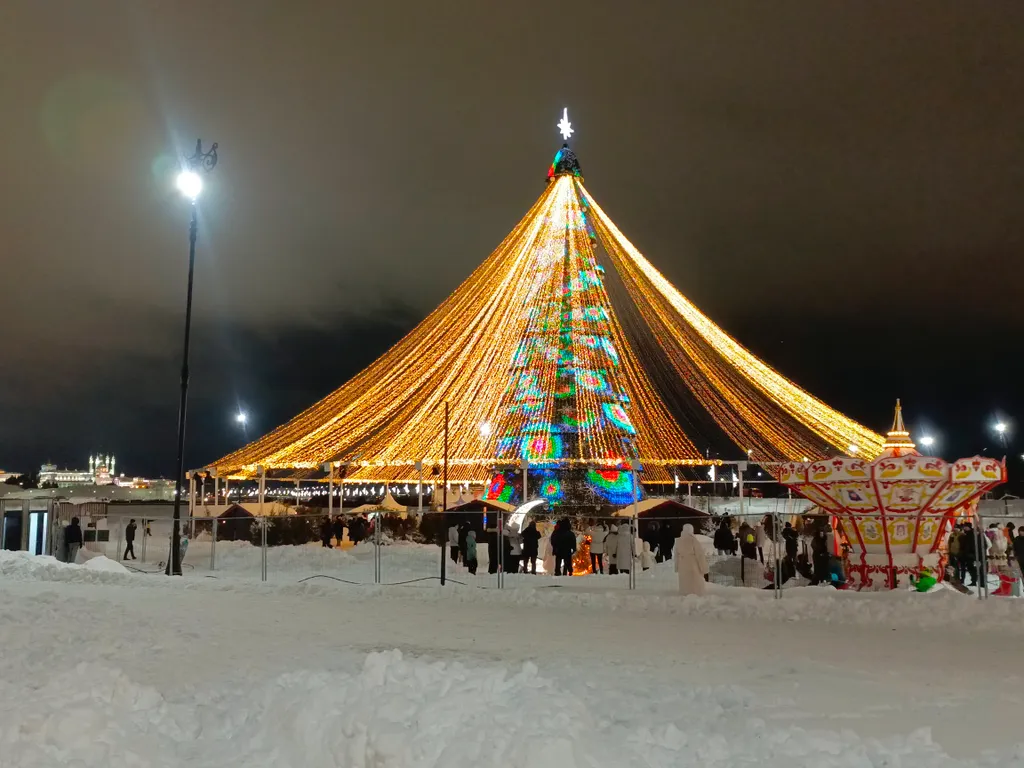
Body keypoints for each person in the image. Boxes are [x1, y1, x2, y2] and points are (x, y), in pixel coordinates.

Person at [674, 523, 708, 596]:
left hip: (682, 563)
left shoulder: (678, 540)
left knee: (684, 579)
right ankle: (695, 593)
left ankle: (684, 592)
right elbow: (700, 555)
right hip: (692, 563)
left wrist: (676, 567)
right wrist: (704, 568)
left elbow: (676, 555)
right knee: (694, 579)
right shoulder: (693, 540)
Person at [960, 522, 978, 586]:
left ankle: (974, 581)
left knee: (971, 568)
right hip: (967, 554)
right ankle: (971, 580)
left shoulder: (970, 534)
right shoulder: (967, 534)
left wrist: (970, 552)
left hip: (969, 554)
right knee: (968, 568)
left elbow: (970, 545)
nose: (964, 528)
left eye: (965, 527)